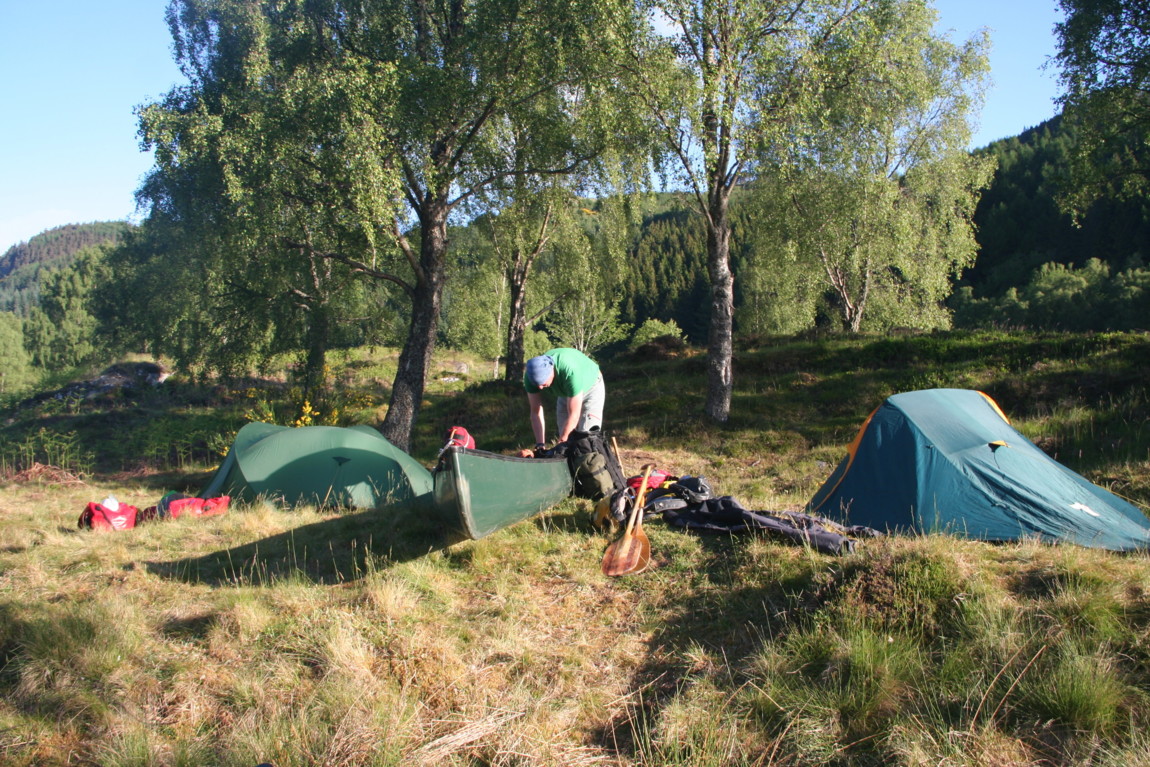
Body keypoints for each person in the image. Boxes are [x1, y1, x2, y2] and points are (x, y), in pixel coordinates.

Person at [523, 348, 605, 452]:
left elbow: (574, 415)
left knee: (586, 439)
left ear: (551, 372)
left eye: (543, 382)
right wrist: (540, 445)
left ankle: (590, 463)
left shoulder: (569, 372)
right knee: (566, 438)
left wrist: (562, 442)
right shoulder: (530, 377)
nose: (540, 387)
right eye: (537, 384)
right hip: (566, 392)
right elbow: (535, 412)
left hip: (591, 387)